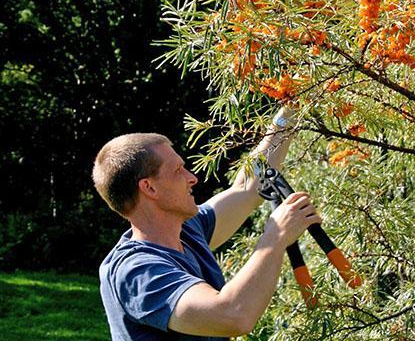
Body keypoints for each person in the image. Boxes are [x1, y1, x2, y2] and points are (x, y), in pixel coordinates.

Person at [92, 107, 321, 340]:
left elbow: (248, 188)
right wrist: (275, 236)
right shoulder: (136, 272)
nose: (192, 177)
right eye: (178, 170)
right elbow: (232, 315)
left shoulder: (188, 230)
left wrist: (289, 111)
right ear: (149, 188)